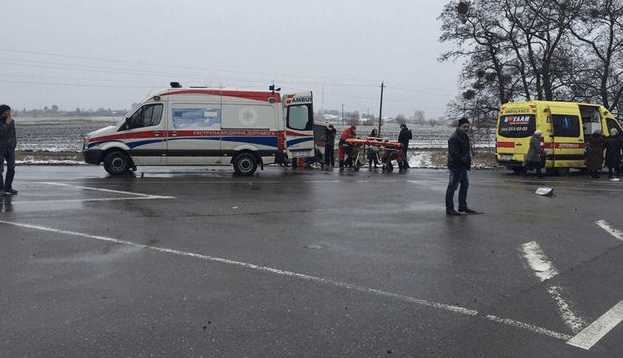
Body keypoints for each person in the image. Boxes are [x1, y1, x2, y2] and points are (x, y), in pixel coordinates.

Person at [445, 117, 475, 216]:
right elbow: (454, 154)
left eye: (467, 126)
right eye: (464, 126)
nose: (466, 128)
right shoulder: (454, 137)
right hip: (456, 165)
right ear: (459, 126)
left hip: (462, 165)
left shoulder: (464, 136)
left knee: (465, 185)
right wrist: (463, 161)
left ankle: (462, 206)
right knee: (452, 186)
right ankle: (449, 209)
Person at [0, 105, 17, 195]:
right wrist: (6, 124)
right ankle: (0, 189)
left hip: (10, 148)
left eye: (9, 112)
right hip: (1, 149)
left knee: (11, 168)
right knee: (0, 169)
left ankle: (8, 187)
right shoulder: (5, 122)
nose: (8, 114)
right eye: (7, 112)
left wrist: (14, 145)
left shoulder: (11, 121)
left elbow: (13, 134)